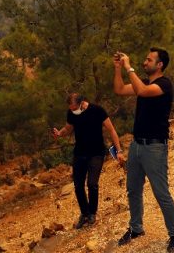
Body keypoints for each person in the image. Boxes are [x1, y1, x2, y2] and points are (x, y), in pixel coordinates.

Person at [113, 48, 174, 252]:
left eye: (149, 59)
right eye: (144, 59)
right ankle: (136, 228)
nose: (145, 62)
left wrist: (129, 67)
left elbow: (143, 92)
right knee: (133, 189)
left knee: (161, 193)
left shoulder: (163, 84)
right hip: (136, 145)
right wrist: (118, 69)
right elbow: (119, 90)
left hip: (154, 147)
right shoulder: (143, 83)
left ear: (160, 64)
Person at [53, 93, 126, 229]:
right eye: (71, 108)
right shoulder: (71, 113)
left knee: (92, 183)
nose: (73, 110)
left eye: (75, 108)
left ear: (82, 103)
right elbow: (68, 128)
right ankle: (84, 213)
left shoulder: (97, 110)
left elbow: (111, 130)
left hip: (96, 153)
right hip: (80, 153)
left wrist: (119, 151)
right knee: (78, 185)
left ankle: (92, 213)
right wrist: (60, 133)